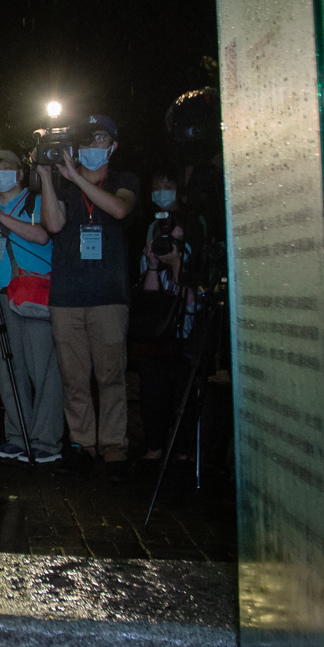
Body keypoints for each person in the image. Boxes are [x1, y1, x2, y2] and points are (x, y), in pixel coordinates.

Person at [40, 116, 140, 480]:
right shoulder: (61, 183)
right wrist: (46, 177)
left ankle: (114, 446)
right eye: (87, 140)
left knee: (111, 375)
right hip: (66, 295)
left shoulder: (123, 181)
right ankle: (81, 442)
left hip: (109, 296)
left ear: (112, 146)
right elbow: (52, 225)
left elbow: (118, 209)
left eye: (101, 139)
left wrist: (75, 177)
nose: (93, 146)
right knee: (74, 378)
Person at [0, 149, 63, 462]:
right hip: (1, 293)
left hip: (34, 291)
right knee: (9, 367)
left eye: (6, 167)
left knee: (43, 368)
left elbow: (42, 236)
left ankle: (46, 441)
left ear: (18, 171)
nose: (0, 172)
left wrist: (0, 217)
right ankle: (18, 435)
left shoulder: (34, 200)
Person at [129, 171, 200, 461]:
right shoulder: (149, 228)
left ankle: (183, 450)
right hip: (157, 327)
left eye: (167, 185)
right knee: (152, 386)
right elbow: (149, 295)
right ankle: (154, 445)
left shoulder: (194, 224)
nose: (161, 191)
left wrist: (176, 263)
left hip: (187, 323)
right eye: (156, 187)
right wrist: (154, 265)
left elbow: (195, 291)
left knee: (183, 386)